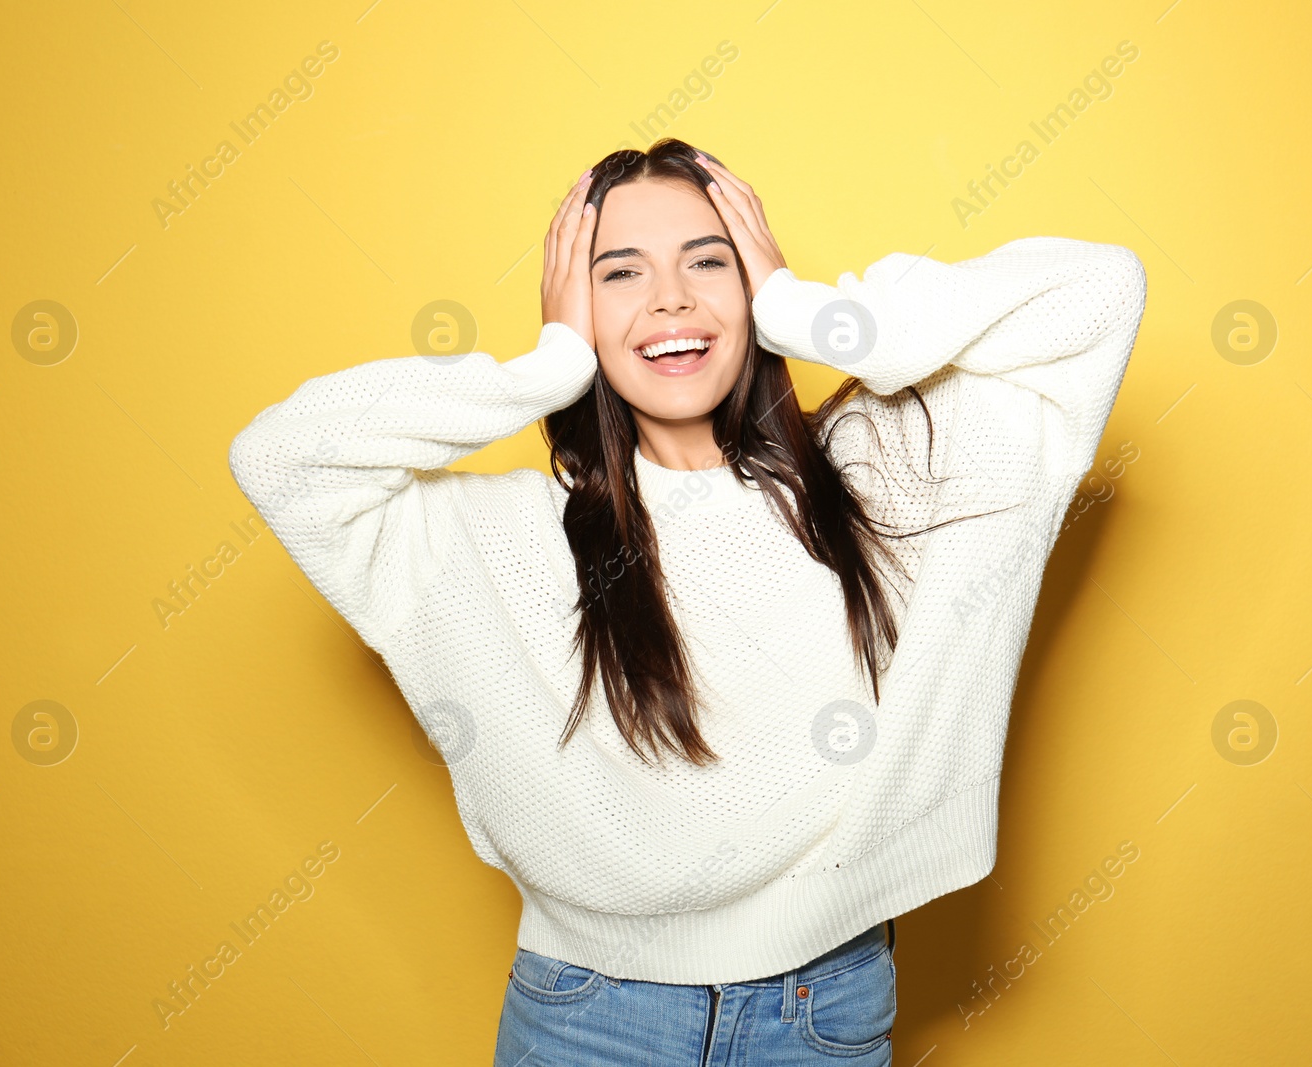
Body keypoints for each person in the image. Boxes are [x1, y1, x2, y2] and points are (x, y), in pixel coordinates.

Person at [227, 137, 1148, 1064]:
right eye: (620, 272)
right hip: (588, 1019)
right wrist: (547, 370)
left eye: (708, 259)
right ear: (576, 306)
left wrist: (804, 308)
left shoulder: (875, 478)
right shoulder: (498, 536)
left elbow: (1097, 291)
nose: (671, 297)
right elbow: (280, 455)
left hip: (819, 1011)